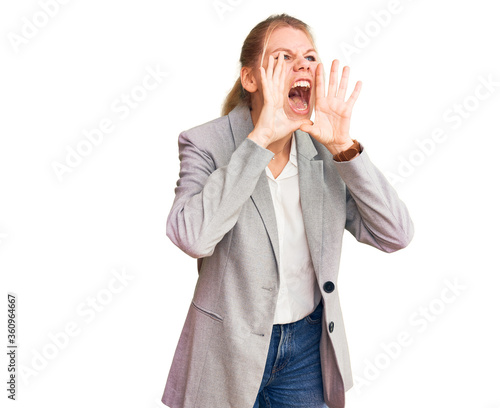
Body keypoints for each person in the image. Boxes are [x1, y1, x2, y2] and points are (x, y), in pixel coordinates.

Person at [161, 13, 414, 408]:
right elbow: (192, 236)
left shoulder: (324, 151)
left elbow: (395, 234)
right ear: (250, 79)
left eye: (310, 58)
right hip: (227, 351)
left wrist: (344, 146)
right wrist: (260, 139)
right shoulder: (205, 143)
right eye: (283, 57)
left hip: (307, 352)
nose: (302, 66)